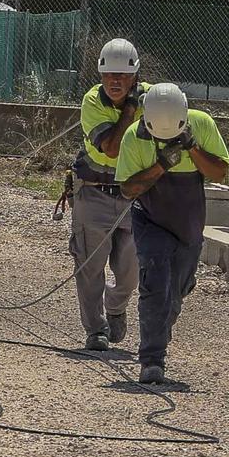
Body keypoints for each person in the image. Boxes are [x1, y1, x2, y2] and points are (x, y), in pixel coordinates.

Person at [115, 83, 229, 384]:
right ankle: (152, 360)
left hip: (188, 223)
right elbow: (128, 189)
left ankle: (160, 329)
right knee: (155, 283)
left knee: (176, 291)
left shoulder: (202, 124)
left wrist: (192, 148)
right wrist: (162, 165)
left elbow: (219, 172)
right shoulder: (133, 137)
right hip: (150, 218)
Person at [70, 38, 144, 351]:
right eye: (109, 75)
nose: (115, 81)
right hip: (94, 191)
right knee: (89, 266)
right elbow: (111, 148)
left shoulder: (151, 98)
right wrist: (129, 110)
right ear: (100, 77)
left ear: (135, 77)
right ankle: (96, 329)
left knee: (130, 269)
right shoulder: (92, 102)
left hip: (134, 195)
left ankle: (116, 305)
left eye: (122, 76)